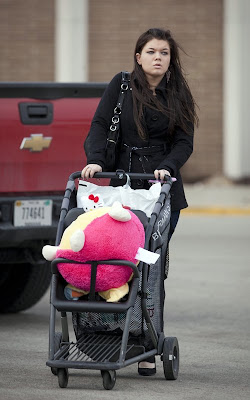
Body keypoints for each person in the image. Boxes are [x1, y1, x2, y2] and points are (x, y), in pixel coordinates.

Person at [81, 28, 199, 376]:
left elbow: (184, 142)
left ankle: (146, 344)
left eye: (164, 53)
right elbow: (100, 126)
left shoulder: (178, 93)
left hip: (160, 192)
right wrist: (96, 160)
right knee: (112, 263)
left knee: (147, 270)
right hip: (120, 186)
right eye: (151, 52)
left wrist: (167, 167)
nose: (158, 58)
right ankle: (107, 337)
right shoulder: (120, 86)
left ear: (170, 59)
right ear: (138, 57)